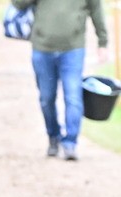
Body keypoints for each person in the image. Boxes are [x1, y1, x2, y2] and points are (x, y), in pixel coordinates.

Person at [11, 0, 109, 161]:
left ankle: (70, 143)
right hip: (42, 48)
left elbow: (96, 10)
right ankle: (53, 136)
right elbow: (19, 4)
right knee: (46, 98)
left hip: (73, 49)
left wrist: (102, 42)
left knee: (73, 96)